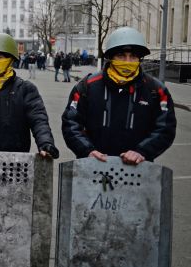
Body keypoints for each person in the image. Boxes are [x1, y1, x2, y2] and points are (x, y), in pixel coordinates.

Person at [62, 26, 176, 164]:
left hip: (137, 172)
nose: (127, 62)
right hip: (92, 168)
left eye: (133, 56)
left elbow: (165, 128)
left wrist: (142, 151)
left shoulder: (156, 91)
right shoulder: (87, 86)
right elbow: (71, 123)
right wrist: (87, 150)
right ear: (111, 57)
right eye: (121, 56)